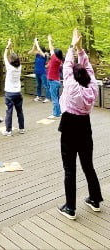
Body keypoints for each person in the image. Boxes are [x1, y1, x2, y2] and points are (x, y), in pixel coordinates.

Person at [57, 28, 103, 220]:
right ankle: (95, 199)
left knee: (70, 169)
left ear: (73, 77)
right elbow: (88, 70)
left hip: (69, 126)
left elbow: (67, 67)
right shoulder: (92, 87)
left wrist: (72, 45)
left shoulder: (71, 86)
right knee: (87, 165)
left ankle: (71, 207)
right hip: (85, 126)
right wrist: (80, 49)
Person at [2, 39, 24, 136]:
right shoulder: (20, 67)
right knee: (19, 111)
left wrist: (8, 45)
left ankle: (8, 130)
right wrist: (11, 47)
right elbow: (14, 58)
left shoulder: (9, 67)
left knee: (9, 112)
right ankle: (21, 128)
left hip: (9, 93)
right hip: (18, 92)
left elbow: (4, 56)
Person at [28, 38, 50, 103]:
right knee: (38, 85)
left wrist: (37, 43)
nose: (38, 51)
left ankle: (47, 97)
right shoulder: (37, 55)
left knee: (45, 85)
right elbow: (30, 52)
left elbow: (40, 51)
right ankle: (39, 96)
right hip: (37, 72)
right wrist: (34, 44)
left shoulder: (44, 55)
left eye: (38, 50)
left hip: (43, 72)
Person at [47, 34, 63, 119]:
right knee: (57, 97)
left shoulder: (54, 59)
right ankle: (59, 112)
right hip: (56, 81)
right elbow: (52, 50)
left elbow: (51, 49)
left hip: (53, 81)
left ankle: (55, 114)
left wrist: (49, 40)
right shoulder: (59, 60)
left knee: (54, 98)